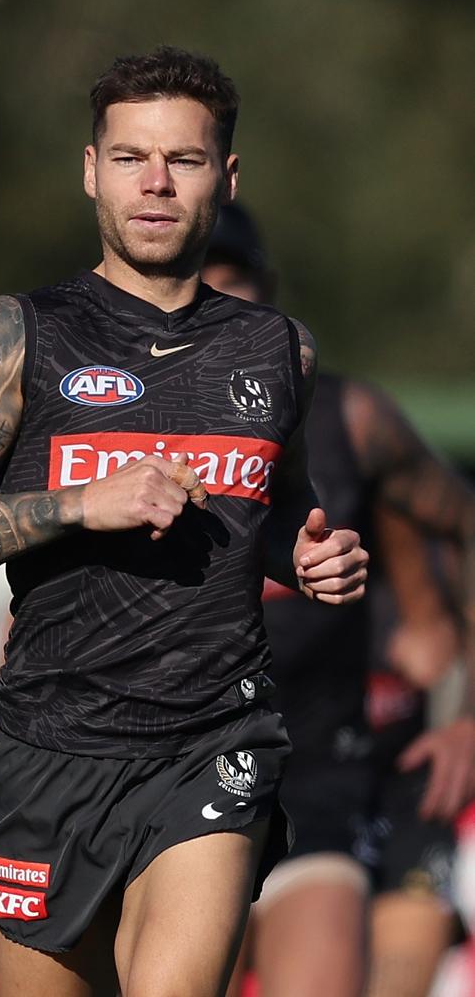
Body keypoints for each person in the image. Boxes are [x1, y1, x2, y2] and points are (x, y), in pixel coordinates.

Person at [0, 48, 368, 997]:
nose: (154, 183)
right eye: (130, 156)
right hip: (50, 749)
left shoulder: (278, 349)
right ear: (90, 169)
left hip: (211, 739)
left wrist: (308, 554)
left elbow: (275, 510)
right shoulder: (19, 332)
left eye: (182, 160)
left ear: (224, 178)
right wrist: (76, 505)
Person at [203, 202, 475, 997]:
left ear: (268, 292)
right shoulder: (116, 416)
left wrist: (466, 715)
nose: (216, 312)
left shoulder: (349, 421)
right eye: (194, 292)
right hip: (163, 787)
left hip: (323, 783)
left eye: (233, 287)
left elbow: (457, 544)